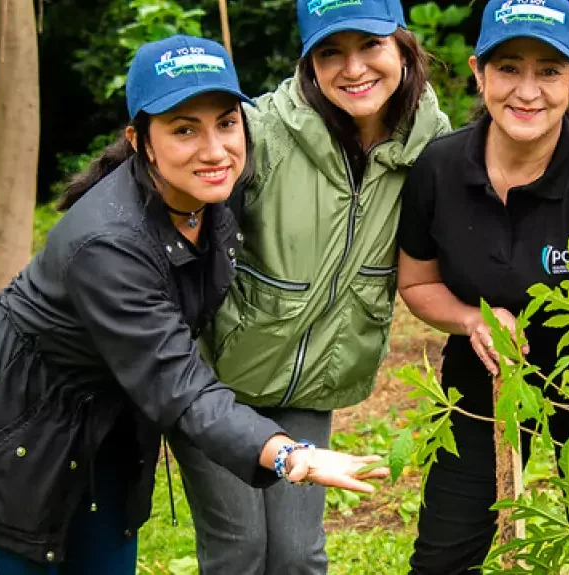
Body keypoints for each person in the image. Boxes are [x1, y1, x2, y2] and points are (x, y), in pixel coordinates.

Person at [0, 35, 389, 575]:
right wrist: (289, 454)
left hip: (106, 428)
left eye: (226, 123)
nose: (215, 149)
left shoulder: (213, 193)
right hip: (9, 438)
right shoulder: (106, 244)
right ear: (140, 141)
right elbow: (176, 382)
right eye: (184, 129)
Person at [164, 2, 449, 574]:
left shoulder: (433, 148)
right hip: (217, 382)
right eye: (329, 52)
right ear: (308, 62)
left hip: (314, 381)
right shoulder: (260, 131)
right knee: (240, 550)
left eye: (369, 45)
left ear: (401, 46)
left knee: (297, 554)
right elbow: (160, 193)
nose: (353, 68)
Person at [395, 0, 569, 572]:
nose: (528, 90)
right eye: (509, 67)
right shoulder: (439, 170)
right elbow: (416, 281)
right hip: (484, 371)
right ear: (478, 71)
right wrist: (472, 319)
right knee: (444, 553)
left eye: (549, 70)